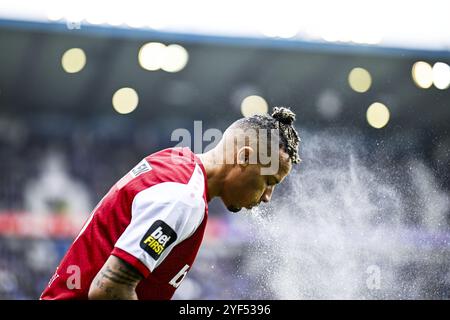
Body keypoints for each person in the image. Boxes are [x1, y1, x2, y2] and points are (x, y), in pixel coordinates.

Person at [40, 106, 301, 300]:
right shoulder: (184, 198)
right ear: (244, 158)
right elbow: (109, 289)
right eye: (269, 181)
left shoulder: (176, 161)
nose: (268, 196)